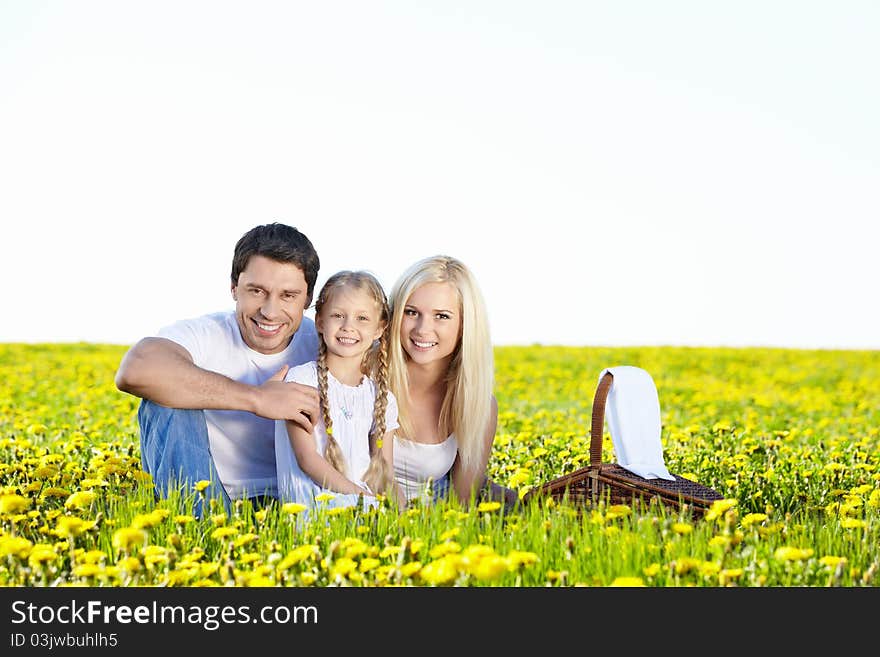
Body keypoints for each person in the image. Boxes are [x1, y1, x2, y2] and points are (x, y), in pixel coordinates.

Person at [114, 223, 322, 514]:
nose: (270, 311)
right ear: (234, 287)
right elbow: (136, 370)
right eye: (257, 291)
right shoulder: (207, 333)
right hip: (207, 494)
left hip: (294, 503)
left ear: (308, 299)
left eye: (288, 295)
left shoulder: (326, 345)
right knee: (163, 398)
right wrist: (258, 399)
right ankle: (201, 531)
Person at [388, 255, 518, 510]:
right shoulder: (364, 374)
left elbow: (461, 506)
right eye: (411, 312)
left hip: (422, 529)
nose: (423, 329)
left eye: (442, 316)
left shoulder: (477, 404)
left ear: (465, 325)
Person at [275, 270, 400, 512]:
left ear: (379, 328)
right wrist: (364, 498)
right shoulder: (301, 381)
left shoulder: (381, 397)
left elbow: (385, 472)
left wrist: (404, 513)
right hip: (312, 508)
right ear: (320, 321)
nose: (348, 327)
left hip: (364, 505)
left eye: (362, 318)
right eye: (338, 315)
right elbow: (307, 460)